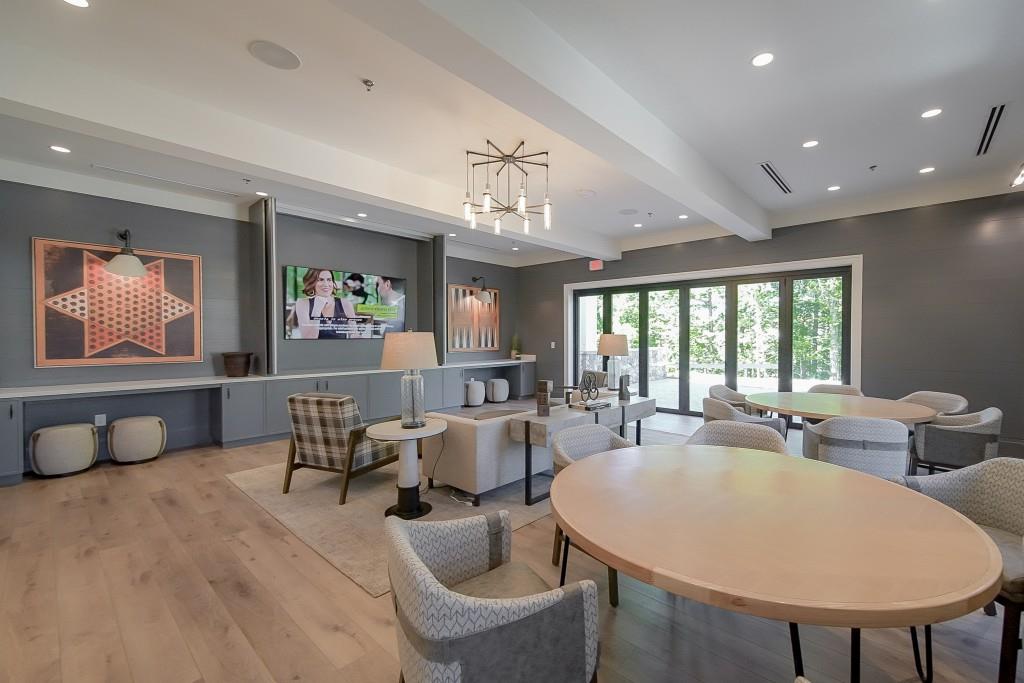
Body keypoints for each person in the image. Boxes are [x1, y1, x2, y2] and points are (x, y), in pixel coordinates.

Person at [290, 268, 358, 339]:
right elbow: (309, 338)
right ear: (312, 282)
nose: (326, 284)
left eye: (329, 280)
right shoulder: (302, 304)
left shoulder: (346, 304)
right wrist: (317, 309)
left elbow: (354, 333)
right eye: (320, 280)